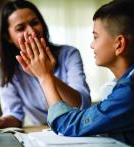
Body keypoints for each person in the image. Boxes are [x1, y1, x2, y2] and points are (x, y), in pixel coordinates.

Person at [19, 0, 134, 145]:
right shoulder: (119, 87)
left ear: (119, 44)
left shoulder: (128, 92)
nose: (92, 45)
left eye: (95, 36)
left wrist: (44, 77)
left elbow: (67, 124)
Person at [0, 0, 91, 132]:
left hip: (75, 126)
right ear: (8, 37)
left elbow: (82, 104)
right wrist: (1, 122)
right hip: (40, 131)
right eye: (21, 28)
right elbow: (14, 114)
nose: (32, 31)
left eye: (34, 23)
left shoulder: (69, 54)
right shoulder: (5, 67)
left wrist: (45, 74)